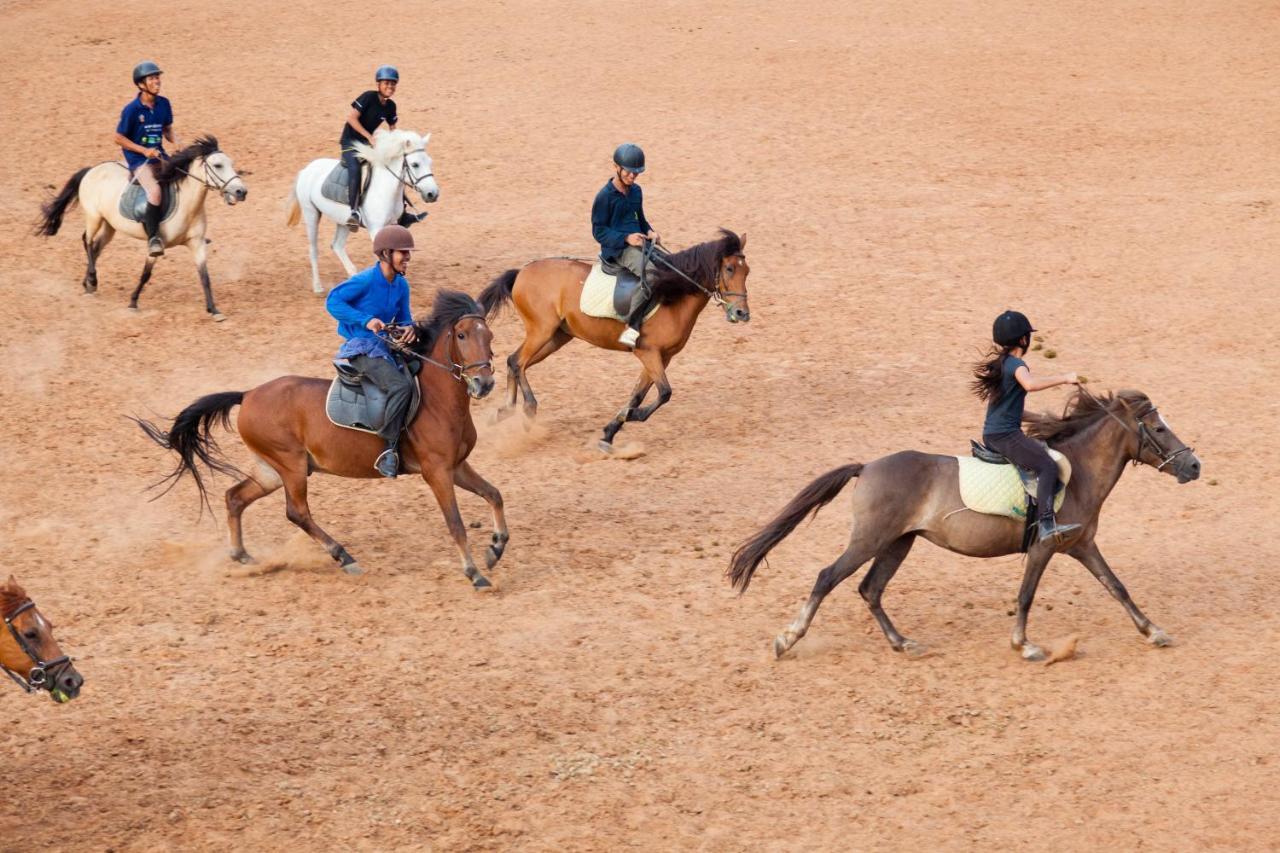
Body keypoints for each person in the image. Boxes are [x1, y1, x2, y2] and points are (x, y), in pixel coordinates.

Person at [971, 310, 1082, 544]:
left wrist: (1040, 419)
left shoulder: (1000, 366)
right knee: (1048, 466)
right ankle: (1046, 525)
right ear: (1023, 339)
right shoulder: (1017, 365)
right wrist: (1064, 378)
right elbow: (1030, 385)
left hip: (995, 433)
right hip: (1005, 436)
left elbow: (1010, 411)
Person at [326, 225, 419, 478]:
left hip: (386, 347)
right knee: (401, 386)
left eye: (409, 253)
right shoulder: (365, 280)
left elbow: (404, 318)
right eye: (403, 253)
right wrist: (365, 319)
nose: (408, 258)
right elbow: (332, 301)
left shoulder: (401, 285)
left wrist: (408, 329)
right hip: (362, 348)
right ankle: (388, 450)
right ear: (386, 253)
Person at [591, 143, 662, 347]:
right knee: (650, 275)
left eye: (637, 173)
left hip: (639, 242)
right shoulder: (604, 197)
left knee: (668, 266)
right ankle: (632, 325)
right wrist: (626, 239)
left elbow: (640, 219)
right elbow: (599, 231)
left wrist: (649, 231)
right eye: (630, 172)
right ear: (616, 167)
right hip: (618, 250)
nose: (633, 177)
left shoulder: (636, 191)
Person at [339, 66, 424, 232]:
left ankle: (403, 212)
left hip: (369, 145)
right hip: (350, 142)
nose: (390, 87)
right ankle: (354, 212)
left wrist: (400, 145)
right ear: (378, 84)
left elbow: (393, 128)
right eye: (386, 83)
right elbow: (351, 118)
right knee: (355, 169)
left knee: (395, 170)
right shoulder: (368, 97)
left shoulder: (391, 106)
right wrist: (369, 136)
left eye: (393, 84)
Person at [114, 61, 175, 257]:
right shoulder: (131, 110)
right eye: (152, 78)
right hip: (138, 161)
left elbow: (166, 129)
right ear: (141, 84)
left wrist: (178, 142)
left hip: (159, 156)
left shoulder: (164, 104)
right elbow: (118, 138)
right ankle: (153, 238)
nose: (157, 81)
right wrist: (143, 150)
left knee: (183, 178)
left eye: (157, 77)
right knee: (155, 191)